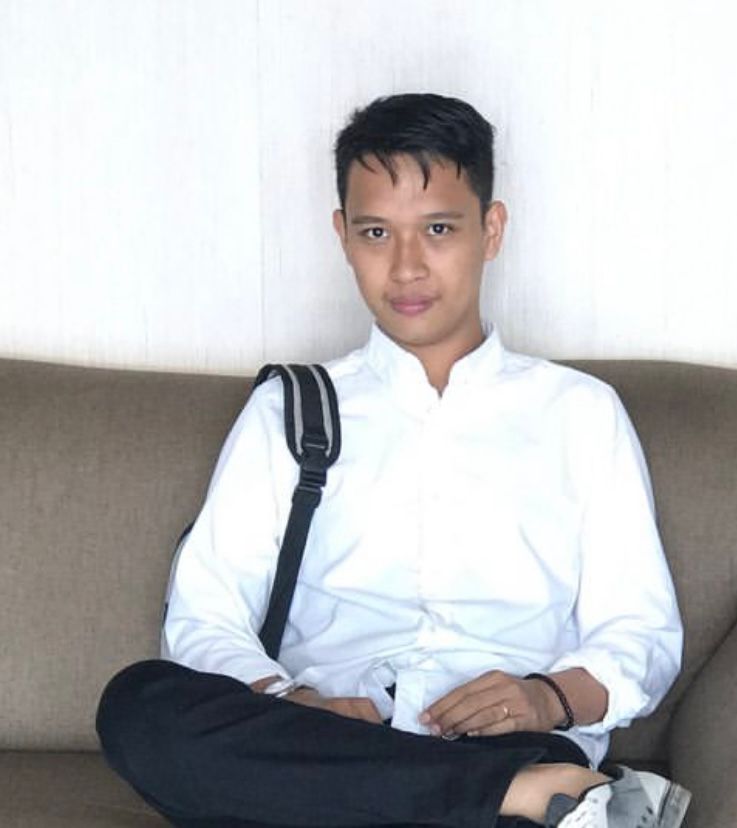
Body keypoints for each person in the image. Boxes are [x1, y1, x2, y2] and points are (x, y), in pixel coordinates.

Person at [96, 93, 688, 828]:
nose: (407, 267)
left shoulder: (580, 414)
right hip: (324, 738)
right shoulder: (291, 409)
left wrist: (545, 698)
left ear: (491, 230)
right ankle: (536, 797)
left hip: (504, 739)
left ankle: (475, 787)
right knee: (139, 704)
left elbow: (641, 631)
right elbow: (204, 615)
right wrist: (293, 702)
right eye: (377, 232)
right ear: (343, 237)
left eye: (438, 229)